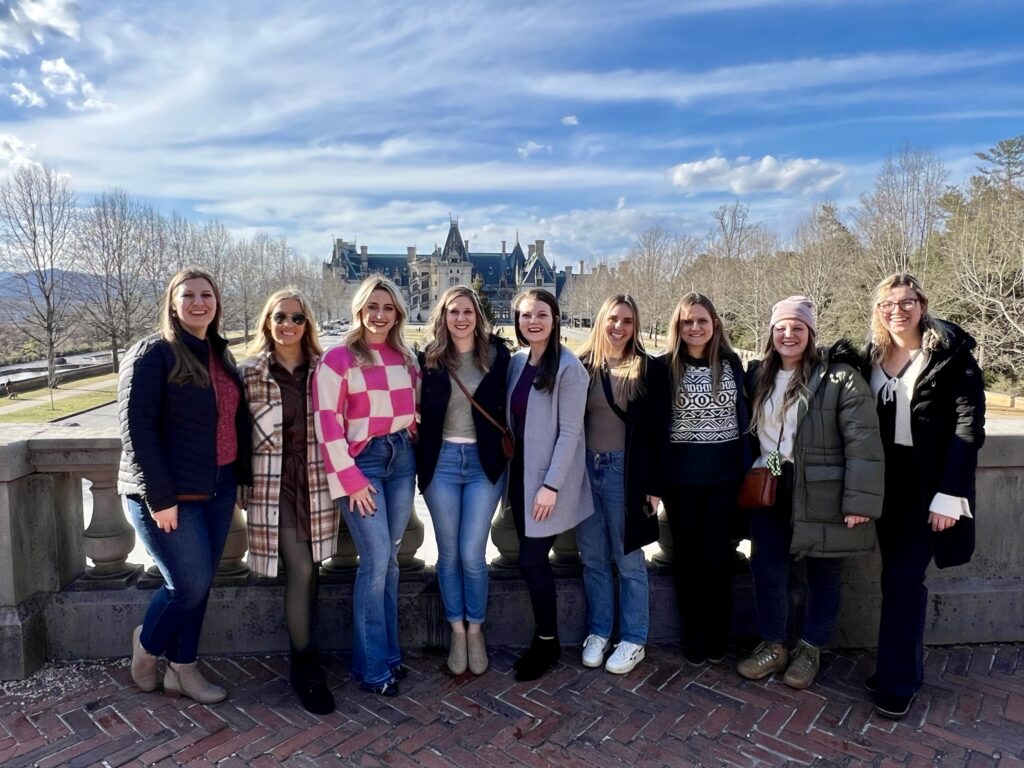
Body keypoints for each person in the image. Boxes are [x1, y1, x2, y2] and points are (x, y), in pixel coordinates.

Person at [118, 267, 251, 704]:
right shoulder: (152, 353)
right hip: (168, 495)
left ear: (217, 302)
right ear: (172, 304)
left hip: (218, 487)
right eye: (188, 295)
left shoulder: (218, 353)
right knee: (187, 584)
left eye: (207, 295)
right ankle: (147, 647)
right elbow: (137, 431)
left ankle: (182, 669)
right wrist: (161, 498)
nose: (199, 302)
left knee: (202, 583)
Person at [737, 296, 883, 690]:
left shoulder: (840, 377)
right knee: (766, 568)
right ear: (771, 333)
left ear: (811, 333)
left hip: (822, 488)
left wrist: (859, 502)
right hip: (770, 480)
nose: (789, 334)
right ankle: (774, 644)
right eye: (781, 327)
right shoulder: (758, 374)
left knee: (823, 573)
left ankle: (810, 648)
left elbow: (863, 442)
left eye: (797, 328)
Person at [863, 274, 985, 719]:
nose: (897, 310)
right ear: (877, 310)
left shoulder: (950, 356)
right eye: (888, 304)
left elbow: (968, 428)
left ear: (922, 305)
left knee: (902, 580)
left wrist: (950, 495)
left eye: (907, 301)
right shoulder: (870, 356)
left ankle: (896, 684)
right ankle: (902, 668)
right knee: (894, 580)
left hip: (927, 486)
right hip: (883, 484)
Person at [314, 275, 419, 697]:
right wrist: (352, 479)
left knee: (391, 561)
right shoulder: (338, 359)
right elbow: (327, 424)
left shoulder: (405, 357)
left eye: (388, 308)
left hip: (401, 459)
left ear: (398, 313)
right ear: (359, 309)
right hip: (364, 464)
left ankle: (390, 655)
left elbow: (412, 409)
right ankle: (372, 666)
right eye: (372, 307)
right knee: (376, 562)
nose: (380, 315)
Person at [240, 288, 338, 714]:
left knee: (314, 564)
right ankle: (303, 664)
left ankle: (307, 647)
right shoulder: (249, 373)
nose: (288, 325)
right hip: (272, 482)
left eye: (297, 318)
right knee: (298, 565)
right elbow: (232, 434)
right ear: (268, 322)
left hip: (316, 479)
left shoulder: (325, 371)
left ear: (307, 324)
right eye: (280, 317)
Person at [418, 286, 511, 676]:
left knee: (473, 554)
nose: (460, 318)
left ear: (477, 315)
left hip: (482, 463)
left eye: (467, 311)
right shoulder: (429, 360)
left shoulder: (499, 355)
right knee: (448, 553)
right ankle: (456, 630)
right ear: (443, 316)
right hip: (441, 463)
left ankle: (476, 628)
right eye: (453, 311)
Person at [655, 293, 751, 667]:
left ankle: (718, 633)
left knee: (718, 559)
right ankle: (693, 633)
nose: (695, 328)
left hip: (725, 480)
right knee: (687, 560)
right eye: (687, 322)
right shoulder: (664, 368)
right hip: (682, 482)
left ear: (714, 325)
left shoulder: (732, 364)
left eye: (702, 321)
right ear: (677, 328)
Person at [506, 288, 593, 681]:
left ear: (555, 318)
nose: (533, 321)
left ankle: (547, 641)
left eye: (541, 313)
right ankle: (545, 638)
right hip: (519, 473)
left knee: (532, 559)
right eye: (526, 315)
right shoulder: (517, 361)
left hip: (546, 480)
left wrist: (552, 485)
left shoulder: (568, 368)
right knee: (529, 558)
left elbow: (571, 433)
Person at [575, 294, 663, 674]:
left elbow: (662, 429)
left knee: (629, 561)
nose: (618, 327)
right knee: (592, 558)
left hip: (624, 473)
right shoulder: (580, 366)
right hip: (585, 471)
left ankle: (633, 638)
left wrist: (655, 483)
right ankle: (599, 631)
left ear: (636, 325)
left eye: (627, 320)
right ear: (600, 321)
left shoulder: (648, 369)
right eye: (613, 319)